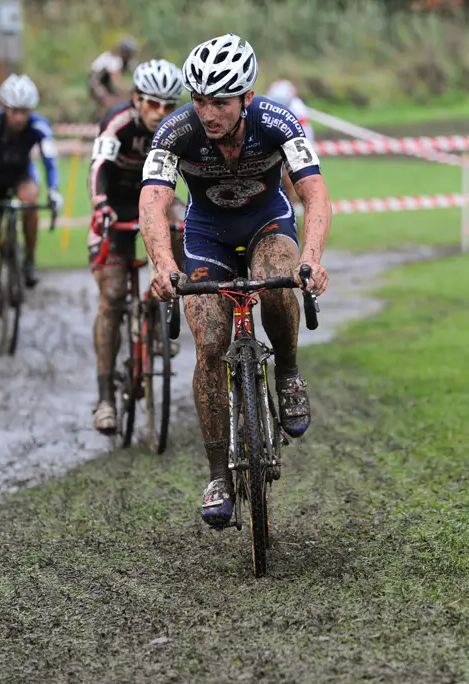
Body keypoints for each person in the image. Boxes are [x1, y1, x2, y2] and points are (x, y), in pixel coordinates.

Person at [138, 33, 333, 528]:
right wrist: (164, 266)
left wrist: (310, 258)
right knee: (209, 346)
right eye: (199, 100)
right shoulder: (175, 133)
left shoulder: (277, 122)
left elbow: (315, 194)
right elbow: (153, 203)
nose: (208, 113)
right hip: (207, 236)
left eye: (220, 101)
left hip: (268, 224)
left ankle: (287, 370)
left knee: (276, 277)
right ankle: (218, 474)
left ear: (246, 98)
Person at [87, 59, 188, 434]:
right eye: (151, 103)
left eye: (167, 105)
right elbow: (97, 167)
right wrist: (100, 206)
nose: (159, 112)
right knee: (112, 295)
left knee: (182, 230)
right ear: (136, 100)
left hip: (155, 202)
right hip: (115, 206)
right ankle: (104, 399)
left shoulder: (178, 129)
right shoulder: (118, 123)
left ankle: (161, 315)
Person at [0, 73, 63, 326]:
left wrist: (54, 190)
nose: (18, 118)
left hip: (22, 176)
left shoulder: (39, 126)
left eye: (24, 112)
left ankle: (29, 259)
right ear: (4, 108)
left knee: (30, 199)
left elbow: (49, 161)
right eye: (13, 111)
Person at [264, 79, 314, 214]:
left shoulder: (298, 108)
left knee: (296, 181)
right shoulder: (268, 104)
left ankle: (299, 211)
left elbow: (305, 135)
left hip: (298, 146)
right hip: (276, 146)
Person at [88, 36, 140, 117]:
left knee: (120, 100)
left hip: (106, 83)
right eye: (129, 52)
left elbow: (137, 71)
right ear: (123, 51)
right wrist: (127, 89)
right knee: (108, 100)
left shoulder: (127, 61)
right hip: (96, 82)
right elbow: (116, 79)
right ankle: (100, 120)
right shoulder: (114, 59)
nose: (131, 55)